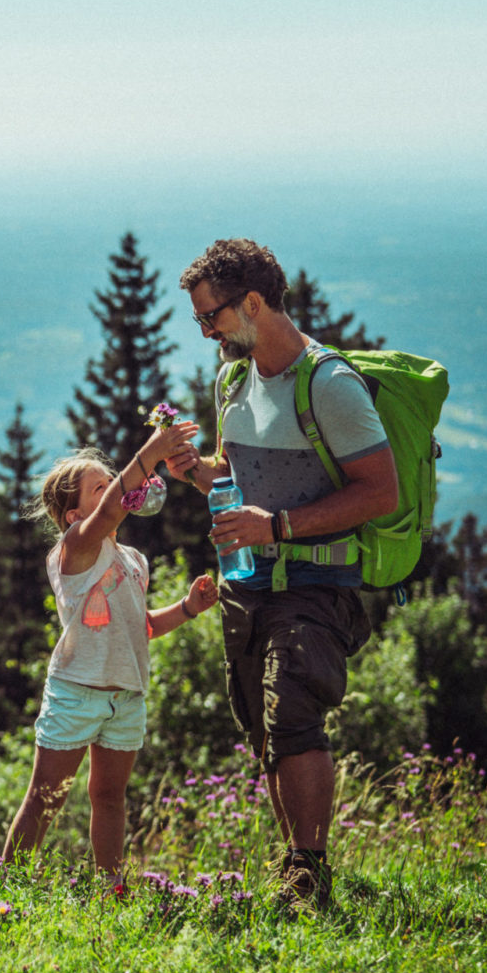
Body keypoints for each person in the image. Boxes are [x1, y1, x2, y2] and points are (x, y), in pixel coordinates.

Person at [175, 238, 399, 910]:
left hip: (316, 583)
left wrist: (276, 527)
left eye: (210, 316)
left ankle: (308, 877)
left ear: (252, 303)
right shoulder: (233, 380)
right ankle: (297, 872)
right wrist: (191, 468)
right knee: (264, 728)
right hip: (248, 584)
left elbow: (379, 492)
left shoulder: (330, 385)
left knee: (294, 715)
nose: (205, 331)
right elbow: (234, 474)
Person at [1, 431, 218, 889]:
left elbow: (144, 627)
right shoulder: (73, 550)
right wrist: (152, 454)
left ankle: (112, 892)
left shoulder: (133, 559)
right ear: (74, 514)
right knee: (46, 797)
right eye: (102, 486)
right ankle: (6, 889)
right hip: (77, 692)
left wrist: (188, 608)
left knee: (110, 798)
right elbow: (111, 510)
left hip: (127, 695)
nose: (118, 489)